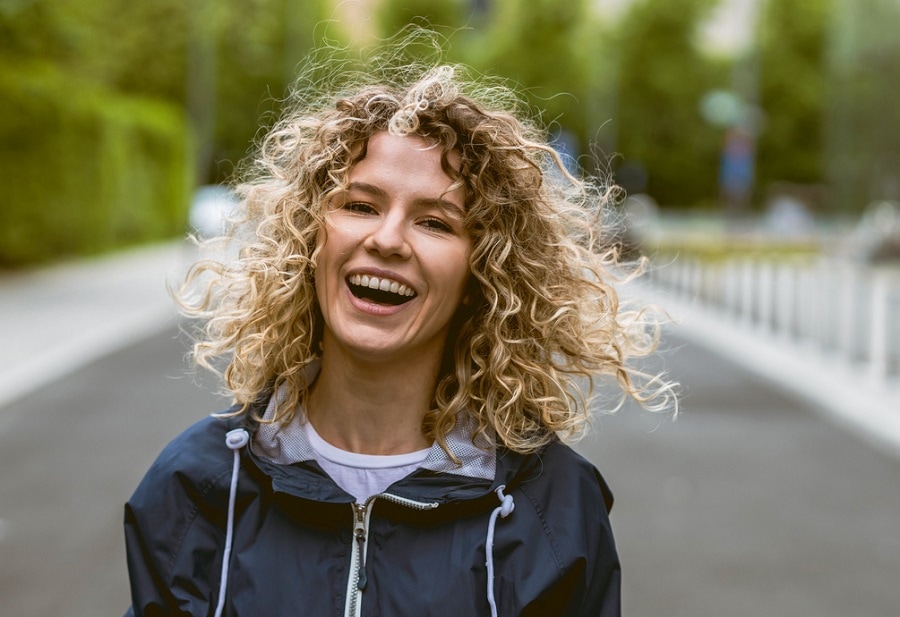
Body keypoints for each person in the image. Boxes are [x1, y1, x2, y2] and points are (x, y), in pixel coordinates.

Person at [123, 42, 673, 617]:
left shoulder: (552, 507)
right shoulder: (197, 486)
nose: (387, 240)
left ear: (483, 271)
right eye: (360, 205)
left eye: (435, 222)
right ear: (310, 236)